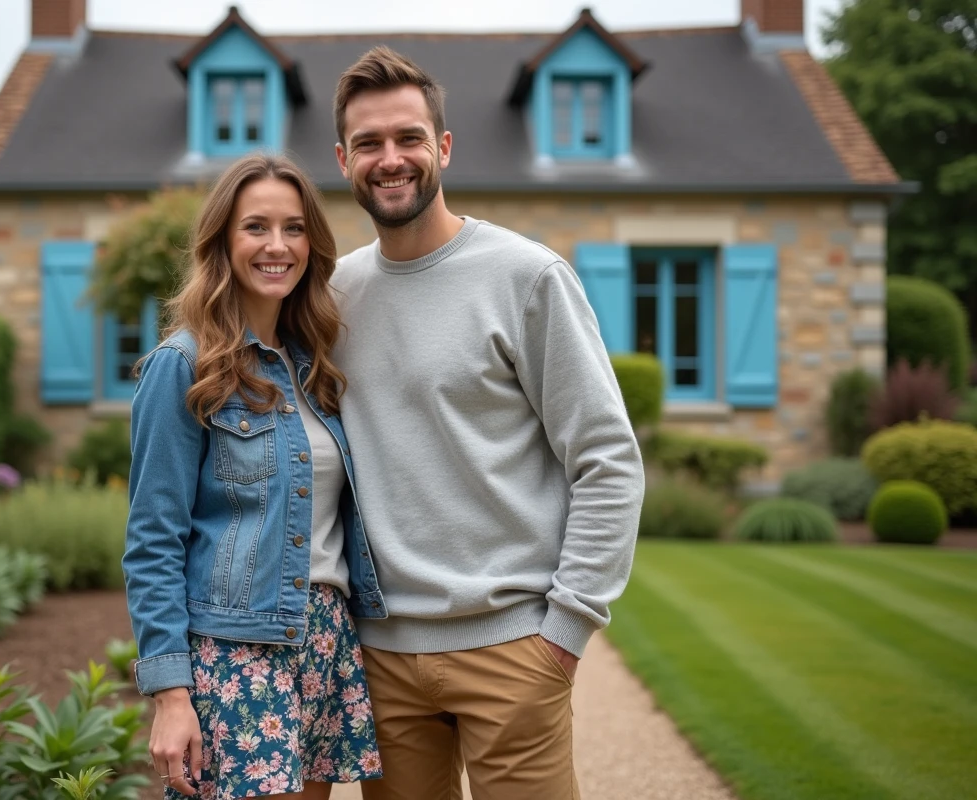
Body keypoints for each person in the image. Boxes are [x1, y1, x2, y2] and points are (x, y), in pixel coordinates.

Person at [329, 47, 647, 799]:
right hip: (382, 659)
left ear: (442, 147)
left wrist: (563, 634)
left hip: (512, 649)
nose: (390, 158)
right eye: (369, 143)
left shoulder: (526, 277)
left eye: (408, 137)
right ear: (343, 159)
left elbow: (606, 458)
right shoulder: (333, 295)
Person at [123, 153, 387, 800]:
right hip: (238, 651)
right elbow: (153, 541)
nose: (278, 245)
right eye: (256, 227)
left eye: (294, 228)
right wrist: (169, 694)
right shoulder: (182, 367)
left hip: (325, 638)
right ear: (223, 242)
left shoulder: (312, 367)